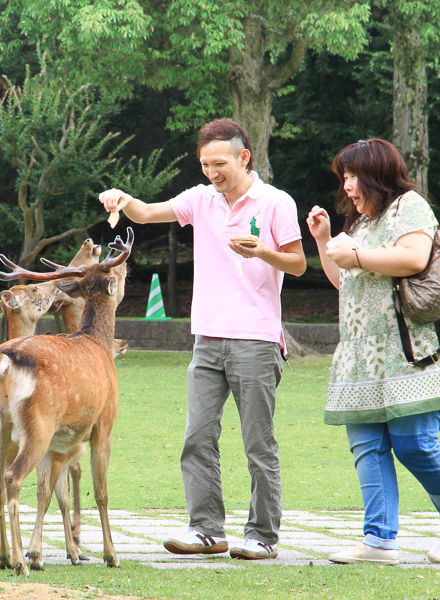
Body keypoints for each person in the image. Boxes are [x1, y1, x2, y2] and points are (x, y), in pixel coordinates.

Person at [99, 118, 306, 560]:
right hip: (206, 339)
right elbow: (146, 211)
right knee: (197, 436)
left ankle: (263, 537)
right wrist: (121, 198)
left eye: (219, 163)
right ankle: (207, 531)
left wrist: (262, 251)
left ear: (243, 157)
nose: (212, 172)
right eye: (205, 164)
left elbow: (298, 264)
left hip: (256, 339)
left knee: (258, 442)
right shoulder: (200, 200)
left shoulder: (274, 203)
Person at [306, 138, 440, 565]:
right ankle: (379, 541)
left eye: (351, 176)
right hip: (361, 358)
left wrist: (358, 254)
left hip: (411, 353)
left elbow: (413, 258)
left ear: (375, 174)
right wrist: (326, 239)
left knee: (415, 443)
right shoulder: (360, 225)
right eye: (343, 177)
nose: (346, 186)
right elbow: (344, 280)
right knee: (367, 445)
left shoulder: (409, 206)